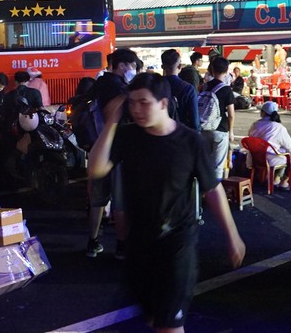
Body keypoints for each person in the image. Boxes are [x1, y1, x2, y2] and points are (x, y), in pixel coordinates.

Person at [87, 73, 245, 333]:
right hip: (139, 243)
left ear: (163, 103)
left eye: (144, 102)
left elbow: (213, 189)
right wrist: (110, 124)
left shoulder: (189, 140)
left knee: (170, 326)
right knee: (153, 319)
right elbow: (96, 169)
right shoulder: (128, 135)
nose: (136, 109)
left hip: (177, 243)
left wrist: (232, 235)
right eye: (132, 102)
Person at [86, 48, 138, 260]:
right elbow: (112, 117)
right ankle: (122, 246)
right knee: (119, 201)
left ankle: (93, 242)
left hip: (97, 147)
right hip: (115, 149)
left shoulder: (100, 82)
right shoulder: (116, 87)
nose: (133, 70)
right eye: (132, 66)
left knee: (98, 200)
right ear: (123, 66)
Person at [247, 101, 291, 188]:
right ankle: (284, 182)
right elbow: (289, 145)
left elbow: (250, 137)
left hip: (255, 157)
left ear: (263, 113)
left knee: (285, 153)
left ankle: (275, 179)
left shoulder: (256, 124)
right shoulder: (278, 127)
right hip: (271, 158)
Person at [200, 56, 235, 181]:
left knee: (205, 162)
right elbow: (231, 114)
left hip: (204, 128)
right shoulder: (226, 90)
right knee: (218, 166)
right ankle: (215, 194)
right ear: (226, 71)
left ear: (212, 70)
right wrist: (231, 131)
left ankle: (203, 192)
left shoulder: (204, 86)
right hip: (220, 129)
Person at [161, 49, 200, 132]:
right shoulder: (188, 89)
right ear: (180, 66)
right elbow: (195, 120)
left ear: (162, 67)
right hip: (181, 133)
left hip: (158, 134)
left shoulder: (155, 86)